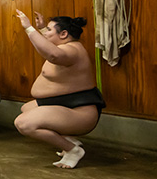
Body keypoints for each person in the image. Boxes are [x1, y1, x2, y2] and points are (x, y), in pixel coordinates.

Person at [13, 11, 104, 168]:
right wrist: (41, 28)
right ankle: (67, 139)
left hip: (79, 112)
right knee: (26, 108)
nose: (46, 33)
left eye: (49, 30)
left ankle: (72, 150)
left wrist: (29, 28)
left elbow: (53, 55)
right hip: (66, 105)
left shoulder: (72, 50)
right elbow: (50, 47)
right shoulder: (64, 46)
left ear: (63, 34)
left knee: (23, 123)